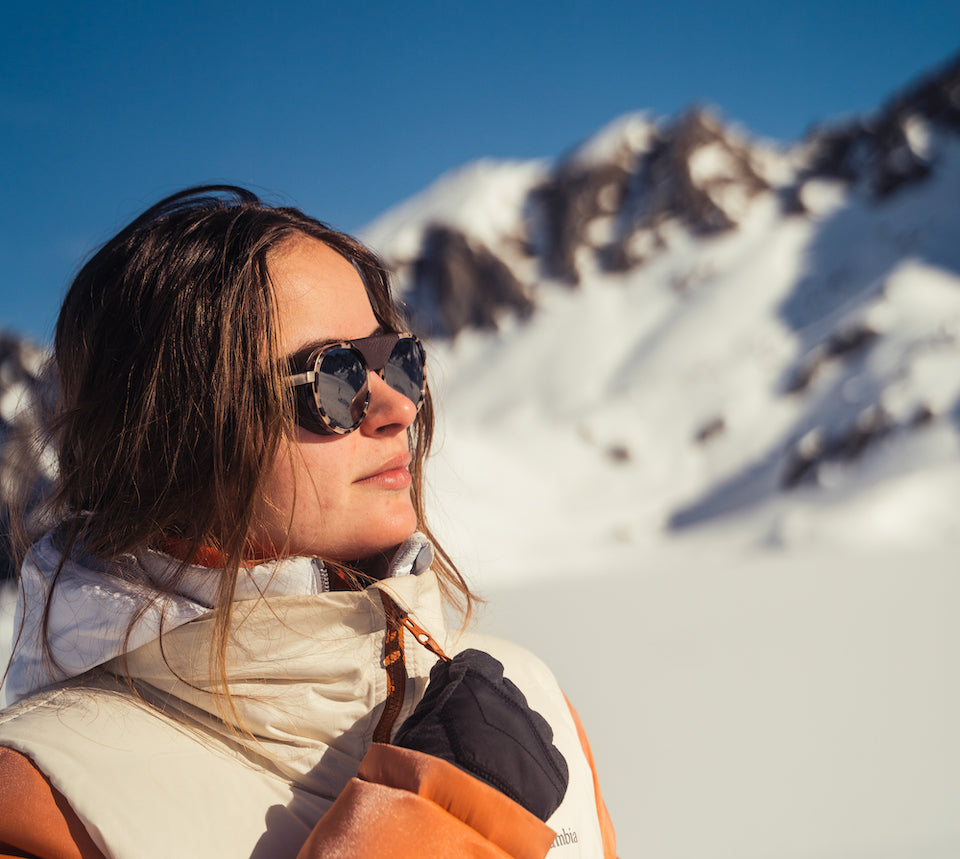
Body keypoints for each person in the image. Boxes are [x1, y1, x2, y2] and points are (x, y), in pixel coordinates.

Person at [0, 186, 616, 858]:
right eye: (335, 377)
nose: (398, 408)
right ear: (179, 440)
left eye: (398, 362)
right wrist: (436, 833)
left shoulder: (526, 702)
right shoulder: (41, 807)